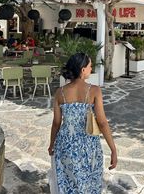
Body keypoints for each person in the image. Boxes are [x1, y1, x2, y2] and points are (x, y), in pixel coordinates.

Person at [48, 52, 117, 193]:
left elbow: (56, 123)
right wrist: (113, 150)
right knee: (89, 183)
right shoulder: (95, 91)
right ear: (82, 69)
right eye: (90, 66)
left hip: (65, 145)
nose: (91, 69)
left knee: (67, 184)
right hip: (88, 146)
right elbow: (102, 123)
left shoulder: (60, 92)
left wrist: (51, 144)